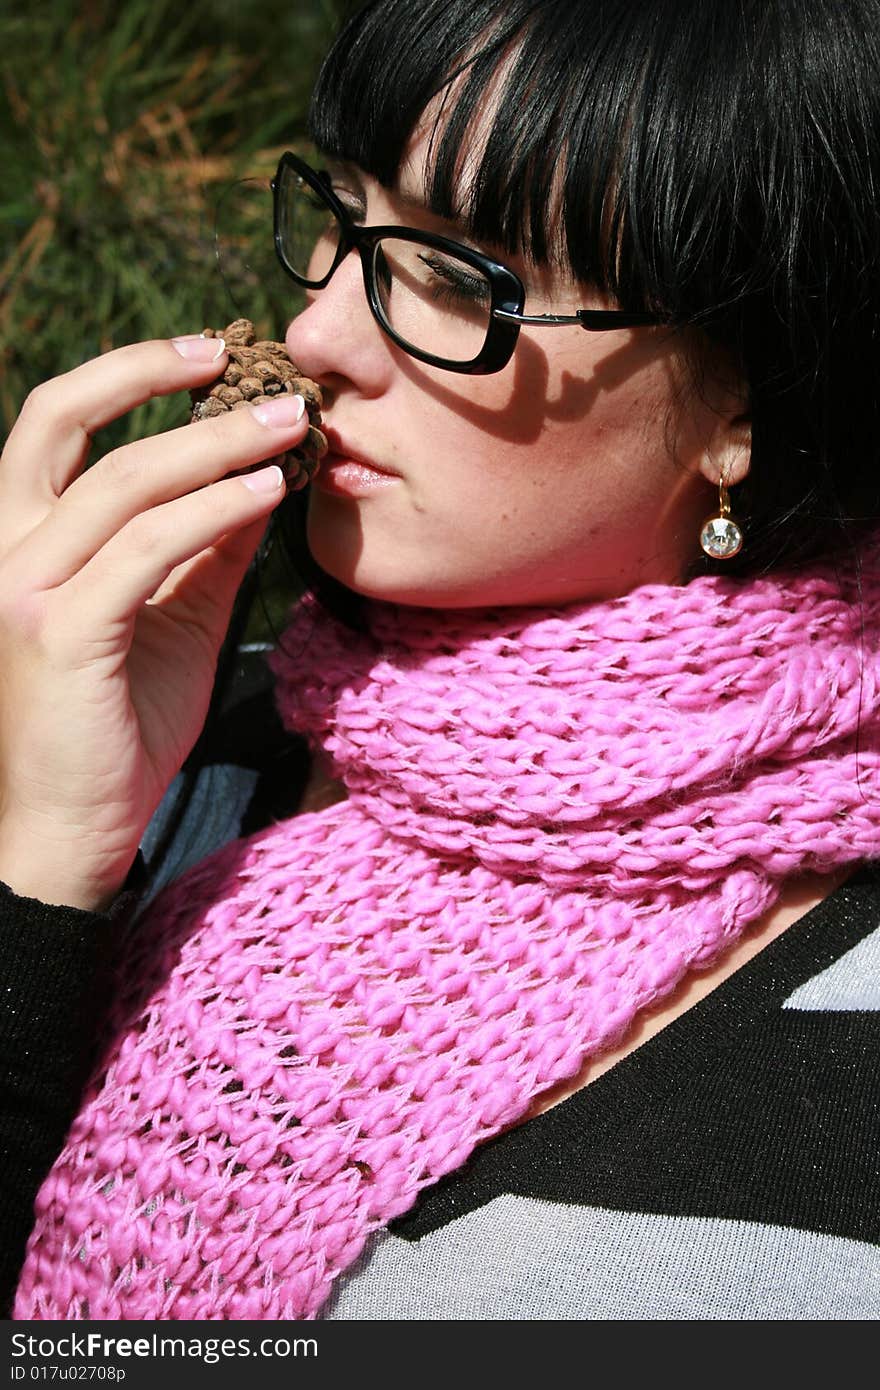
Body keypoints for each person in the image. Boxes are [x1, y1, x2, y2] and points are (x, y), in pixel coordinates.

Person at [1, 0, 878, 1320]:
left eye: (461, 282)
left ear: (740, 402)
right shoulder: (180, 737)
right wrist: (43, 874)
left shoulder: (837, 1088)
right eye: (341, 219)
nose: (317, 340)